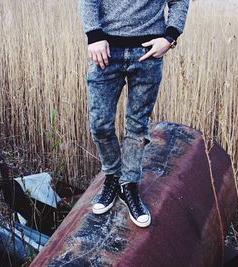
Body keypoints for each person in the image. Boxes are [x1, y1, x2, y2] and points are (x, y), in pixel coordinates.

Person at [78, 0, 190, 228]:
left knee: (137, 126)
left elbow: (179, 2)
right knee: (100, 124)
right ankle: (112, 176)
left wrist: (169, 37)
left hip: (148, 53)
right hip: (106, 51)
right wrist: (94, 35)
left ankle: (128, 184)